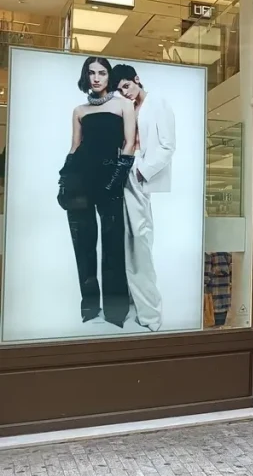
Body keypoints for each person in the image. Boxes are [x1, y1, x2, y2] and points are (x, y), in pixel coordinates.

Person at [58, 57, 136, 328]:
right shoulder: (79, 109)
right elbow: (74, 146)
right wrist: (64, 178)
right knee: (84, 245)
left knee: (113, 245)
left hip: (109, 179)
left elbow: (129, 145)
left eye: (102, 72)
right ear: (86, 76)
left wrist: (118, 178)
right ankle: (90, 306)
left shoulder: (125, 105)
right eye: (91, 73)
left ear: (108, 76)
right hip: (80, 179)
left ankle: (115, 310)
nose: (96, 77)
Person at [112, 64, 176, 332]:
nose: (124, 92)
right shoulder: (127, 107)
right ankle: (131, 306)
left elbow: (168, 145)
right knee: (121, 240)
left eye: (126, 86)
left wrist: (141, 171)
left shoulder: (157, 102)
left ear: (137, 79)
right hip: (121, 171)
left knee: (140, 240)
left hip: (138, 173)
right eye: (119, 89)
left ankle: (150, 314)